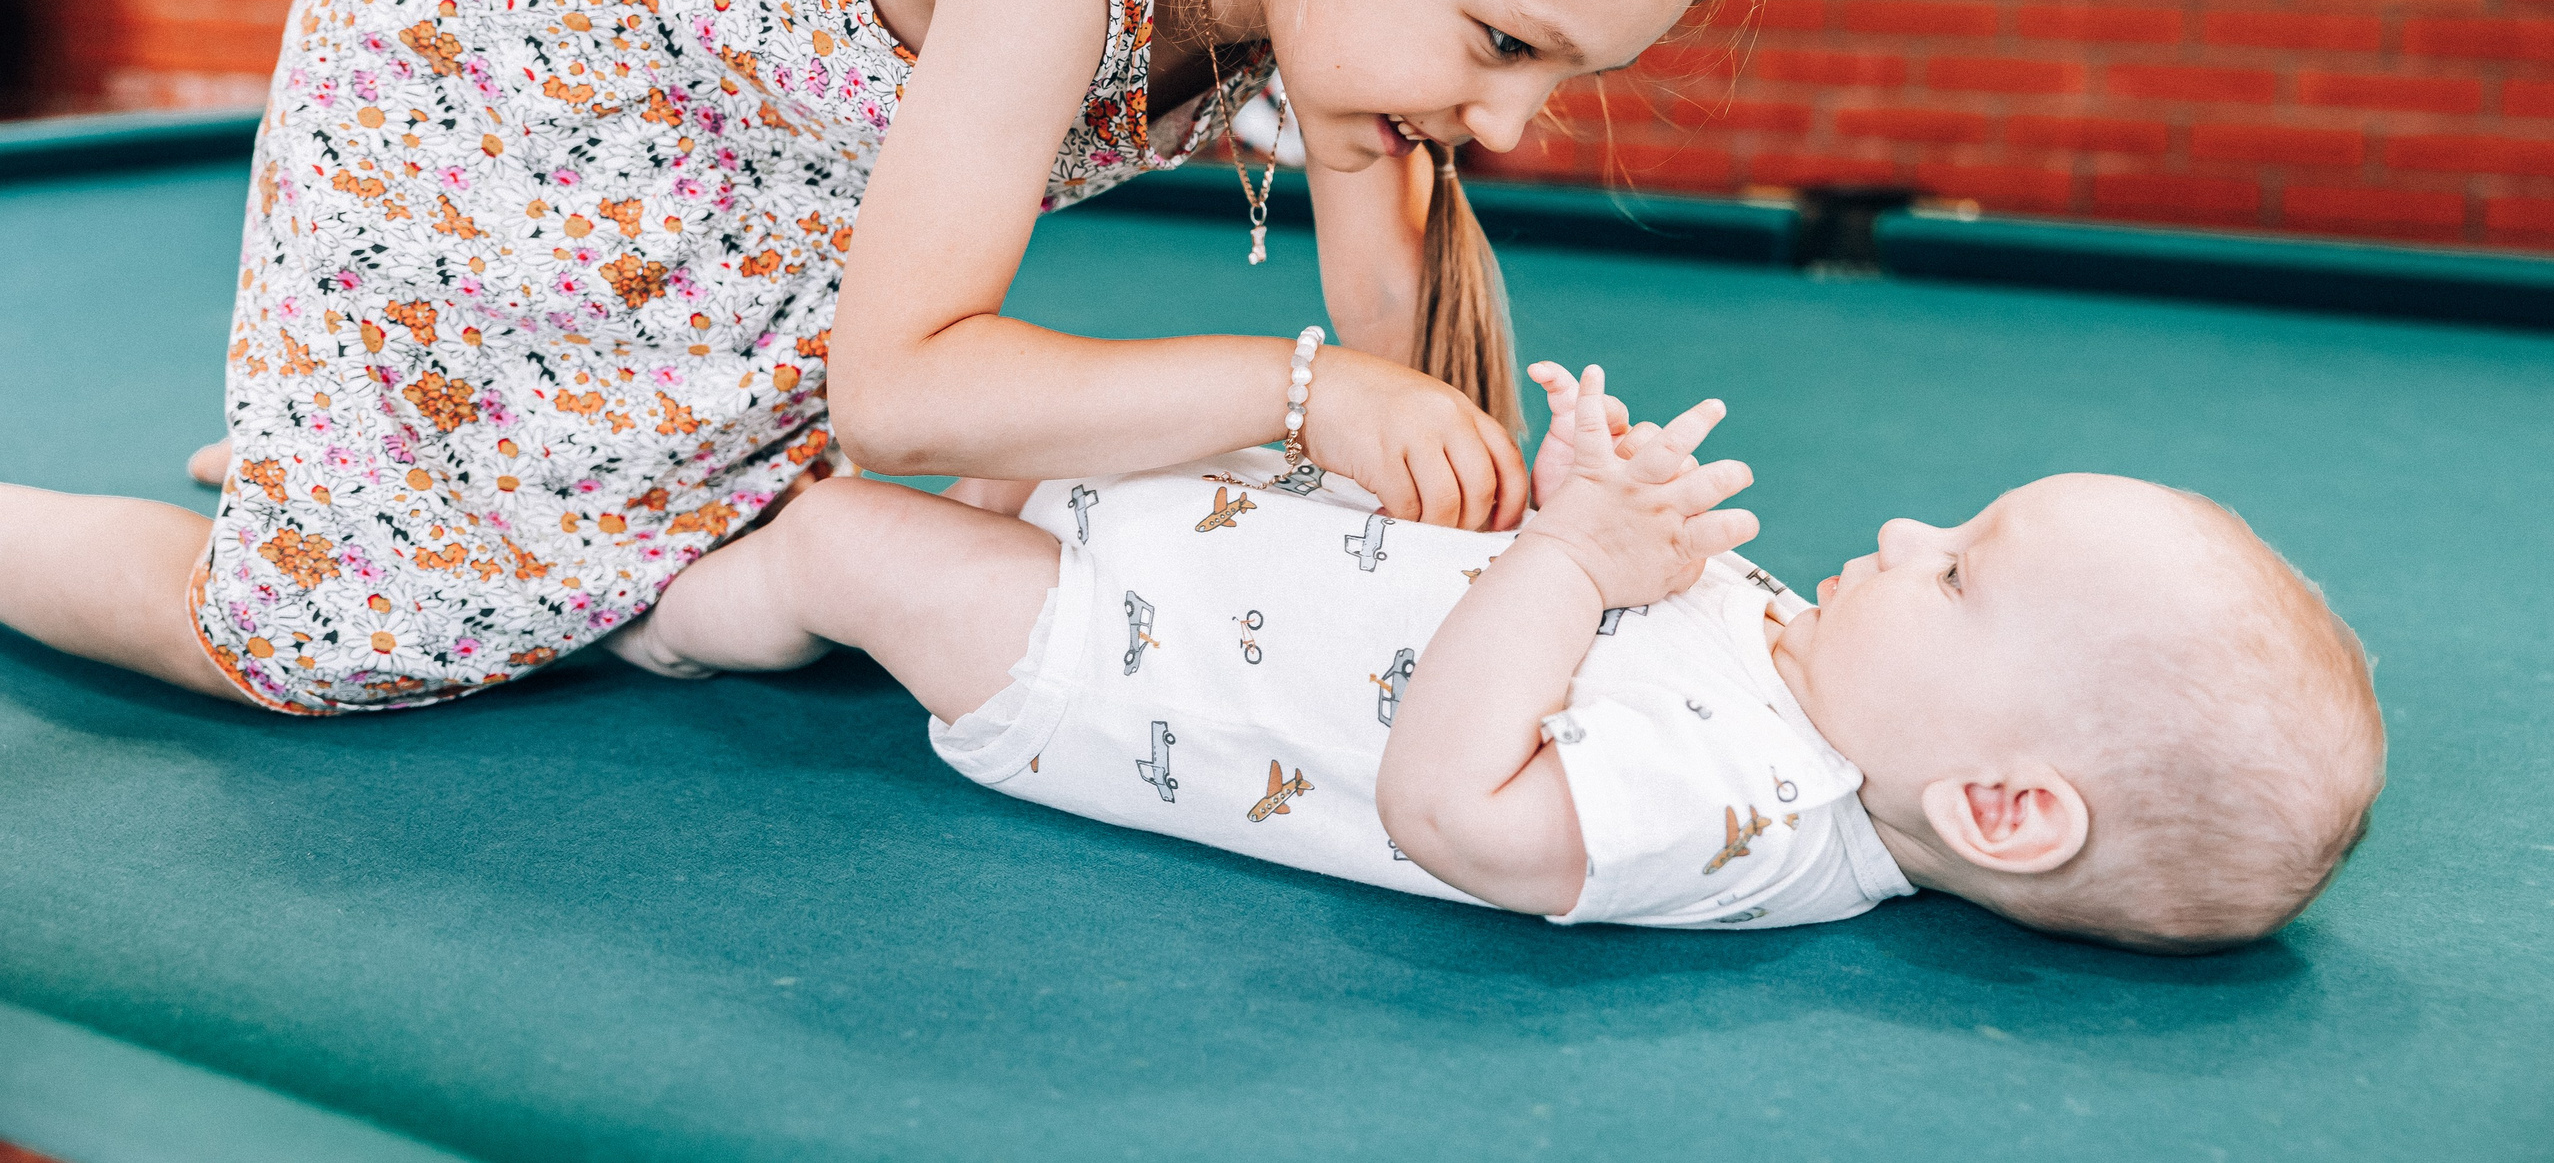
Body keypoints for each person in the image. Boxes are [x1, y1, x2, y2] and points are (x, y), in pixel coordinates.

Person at [0, 0, 1762, 714]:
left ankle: (371, 455)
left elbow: (1411, 402)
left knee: (600, 531)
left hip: (707, 162)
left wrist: (1517, 502)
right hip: (495, 47)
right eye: (1505, 41)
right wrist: (1303, 393)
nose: (1510, 116)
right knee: (340, 638)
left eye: (1559, 76)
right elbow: (900, 396)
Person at [618, 360, 2387, 953]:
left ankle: (647, 621)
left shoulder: (1742, 813)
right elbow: (1568, 613)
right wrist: (1588, 501)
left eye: (1959, 571)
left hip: (1117, 673)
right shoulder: (1816, 671)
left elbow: (1453, 799)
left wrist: (1563, 560)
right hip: (1214, 556)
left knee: (851, 548)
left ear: (2001, 806)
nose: (1911, 530)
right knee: (1016, 440)